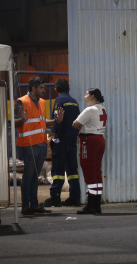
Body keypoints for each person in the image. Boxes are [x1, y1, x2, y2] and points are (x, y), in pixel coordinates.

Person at [15, 77, 64, 216]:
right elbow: (14, 121)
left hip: (41, 144)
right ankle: (26, 206)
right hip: (29, 144)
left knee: (35, 175)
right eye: (41, 88)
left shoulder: (42, 102)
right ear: (33, 89)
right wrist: (22, 120)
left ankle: (34, 205)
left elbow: (42, 122)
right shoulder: (21, 101)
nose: (44, 90)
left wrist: (55, 121)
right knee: (29, 175)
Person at [43, 78, 81, 207]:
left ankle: (55, 197)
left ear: (56, 89)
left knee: (58, 169)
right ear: (68, 89)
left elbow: (58, 119)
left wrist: (55, 134)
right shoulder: (74, 102)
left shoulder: (59, 101)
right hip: (72, 139)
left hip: (61, 139)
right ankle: (75, 197)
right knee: (72, 169)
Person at [72, 88, 107, 214]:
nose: (84, 97)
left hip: (89, 141)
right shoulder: (102, 109)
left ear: (92, 96)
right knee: (96, 170)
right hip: (99, 140)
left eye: (86, 94)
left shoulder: (90, 110)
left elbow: (75, 124)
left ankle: (91, 205)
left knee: (88, 170)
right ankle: (96, 204)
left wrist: (80, 125)